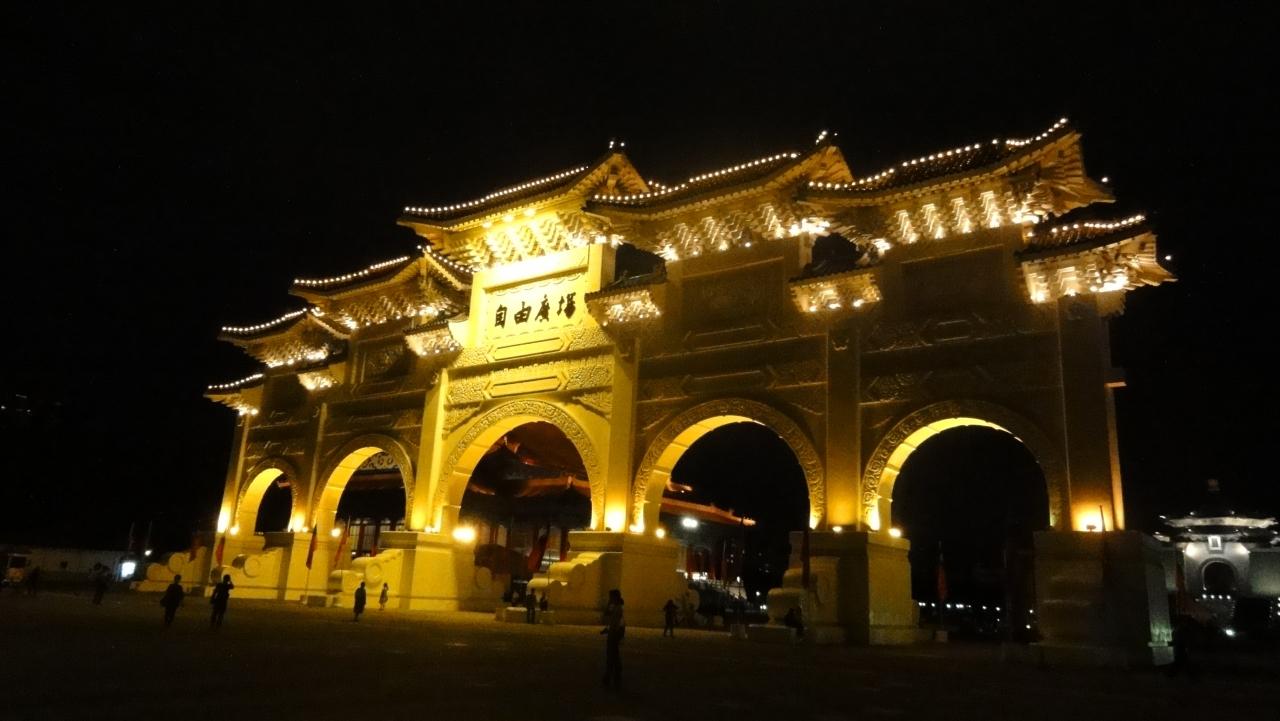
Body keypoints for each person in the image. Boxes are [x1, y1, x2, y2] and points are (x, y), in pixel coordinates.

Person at [601, 589, 625, 690]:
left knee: (612, 656)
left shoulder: (618, 609)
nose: (610, 599)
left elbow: (618, 623)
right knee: (613, 655)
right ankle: (613, 675)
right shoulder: (616, 607)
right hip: (613, 634)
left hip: (614, 636)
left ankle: (611, 676)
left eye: (611, 597)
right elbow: (607, 615)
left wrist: (615, 633)